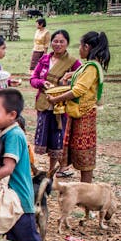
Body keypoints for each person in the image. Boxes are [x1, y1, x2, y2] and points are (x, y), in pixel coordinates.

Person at [0, 89, 72, 241]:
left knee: (32, 240)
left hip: (18, 201)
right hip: (8, 199)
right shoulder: (6, 131)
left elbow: (7, 167)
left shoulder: (14, 135)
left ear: (12, 115)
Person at [47, 31, 109, 184]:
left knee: (84, 155)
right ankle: (84, 188)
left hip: (84, 116)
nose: (79, 49)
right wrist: (71, 74)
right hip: (79, 113)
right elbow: (83, 75)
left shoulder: (92, 68)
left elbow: (77, 91)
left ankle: (86, 189)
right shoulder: (89, 66)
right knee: (78, 150)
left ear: (87, 47)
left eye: (81, 46)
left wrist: (56, 98)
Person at [29, 29, 81, 177]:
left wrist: (65, 83)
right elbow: (33, 79)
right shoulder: (44, 60)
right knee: (44, 135)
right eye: (55, 41)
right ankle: (49, 168)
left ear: (67, 44)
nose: (58, 44)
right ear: (51, 42)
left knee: (57, 135)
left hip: (61, 106)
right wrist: (42, 82)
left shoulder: (73, 63)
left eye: (61, 41)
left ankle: (54, 169)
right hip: (44, 103)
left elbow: (78, 84)